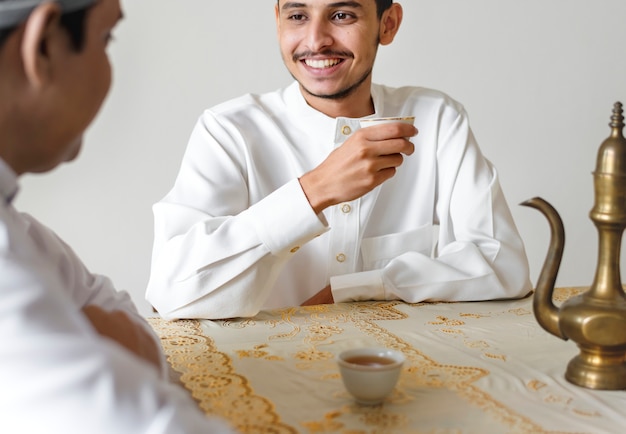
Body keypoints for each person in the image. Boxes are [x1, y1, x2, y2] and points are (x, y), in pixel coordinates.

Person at [146, 0, 532, 320]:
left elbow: (504, 267)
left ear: (388, 24)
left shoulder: (436, 119)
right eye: (297, 16)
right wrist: (315, 191)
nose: (316, 40)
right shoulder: (228, 131)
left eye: (342, 15)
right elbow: (173, 294)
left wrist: (353, 290)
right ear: (278, 21)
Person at [0, 0, 235, 432]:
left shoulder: (22, 233)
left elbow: (133, 329)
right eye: (106, 38)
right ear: (44, 46)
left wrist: (86, 329)